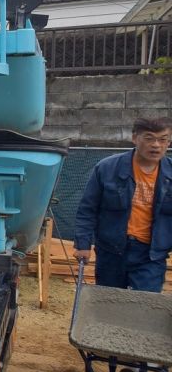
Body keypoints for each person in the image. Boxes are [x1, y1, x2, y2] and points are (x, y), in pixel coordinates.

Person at [73, 117, 172, 291]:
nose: (156, 145)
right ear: (135, 138)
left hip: (151, 254)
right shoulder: (107, 168)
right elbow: (88, 209)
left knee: (144, 306)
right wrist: (83, 244)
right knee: (108, 304)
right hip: (111, 250)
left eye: (162, 139)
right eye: (149, 138)